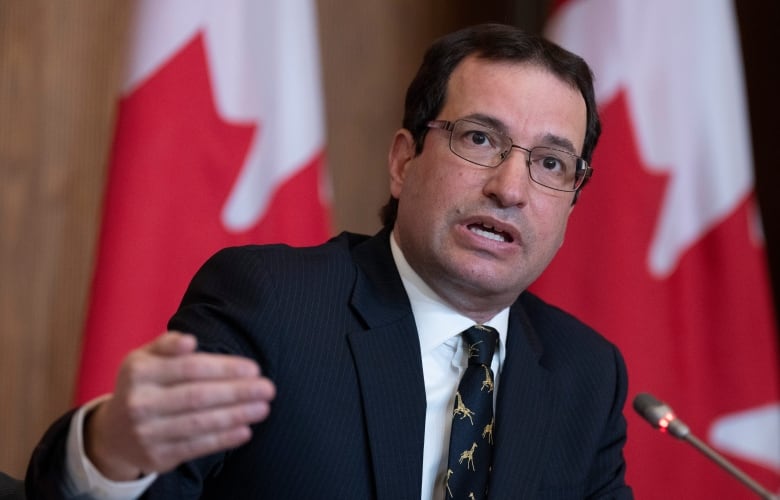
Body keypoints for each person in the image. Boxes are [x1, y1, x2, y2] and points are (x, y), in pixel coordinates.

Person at [27, 24, 633, 499]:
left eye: (551, 163)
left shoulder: (586, 375)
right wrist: (111, 453)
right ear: (403, 163)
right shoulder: (271, 304)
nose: (511, 188)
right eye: (479, 139)